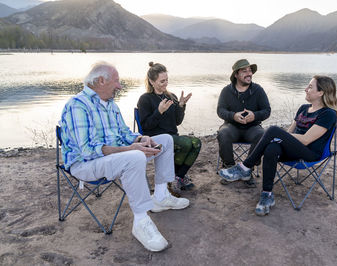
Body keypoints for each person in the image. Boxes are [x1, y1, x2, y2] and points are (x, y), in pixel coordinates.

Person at [59, 61, 189, 252]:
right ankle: (141, 221)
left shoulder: (111, 105)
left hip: (115, 159)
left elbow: (125, 134)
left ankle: (161, 196)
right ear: (101, 81)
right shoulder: (78, 106)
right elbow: (87, 151)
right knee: (135, 156)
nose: (120, 86)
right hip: (85, 165)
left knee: (166, 140)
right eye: (117, 81)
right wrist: (131, 149)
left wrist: (142, 138)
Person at [219, 75, 337, 216]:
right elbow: (289, 133)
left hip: (310, 153)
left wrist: (277, 135)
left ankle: (245, 167)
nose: (305, 89)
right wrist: (277, 137)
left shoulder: (328, 114)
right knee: (272, 148)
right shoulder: (303, 108)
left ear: (321, 92)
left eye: (310, 87)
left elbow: (306, 140)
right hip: (294, 149)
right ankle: (267, 195)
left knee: (273, 130)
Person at [137, 62, 201, 192]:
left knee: (196, 143)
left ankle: (178, 177)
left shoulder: (171, 96)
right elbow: (144, 127)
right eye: (162, 81)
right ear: (151, 81)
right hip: (156, 138)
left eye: (166, 80)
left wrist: (181, 105)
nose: (165, 83)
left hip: (173, 136)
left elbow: (177, 121)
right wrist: (159, 111)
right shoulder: (145, 99)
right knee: (187, 144)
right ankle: (177, 178)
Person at [217, 59, 271, 184]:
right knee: (223, 133)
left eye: (250, 71)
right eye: (244, 71)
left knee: (262, 135)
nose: (249, 73)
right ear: (236, 74)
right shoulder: (226, 91)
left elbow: (267, 110)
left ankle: (247, 169)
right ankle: (229, 168)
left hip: (252, 127)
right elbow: (220, 110)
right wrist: (233, 115)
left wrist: (255, 115)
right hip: (231, 126)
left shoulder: (258, 90)